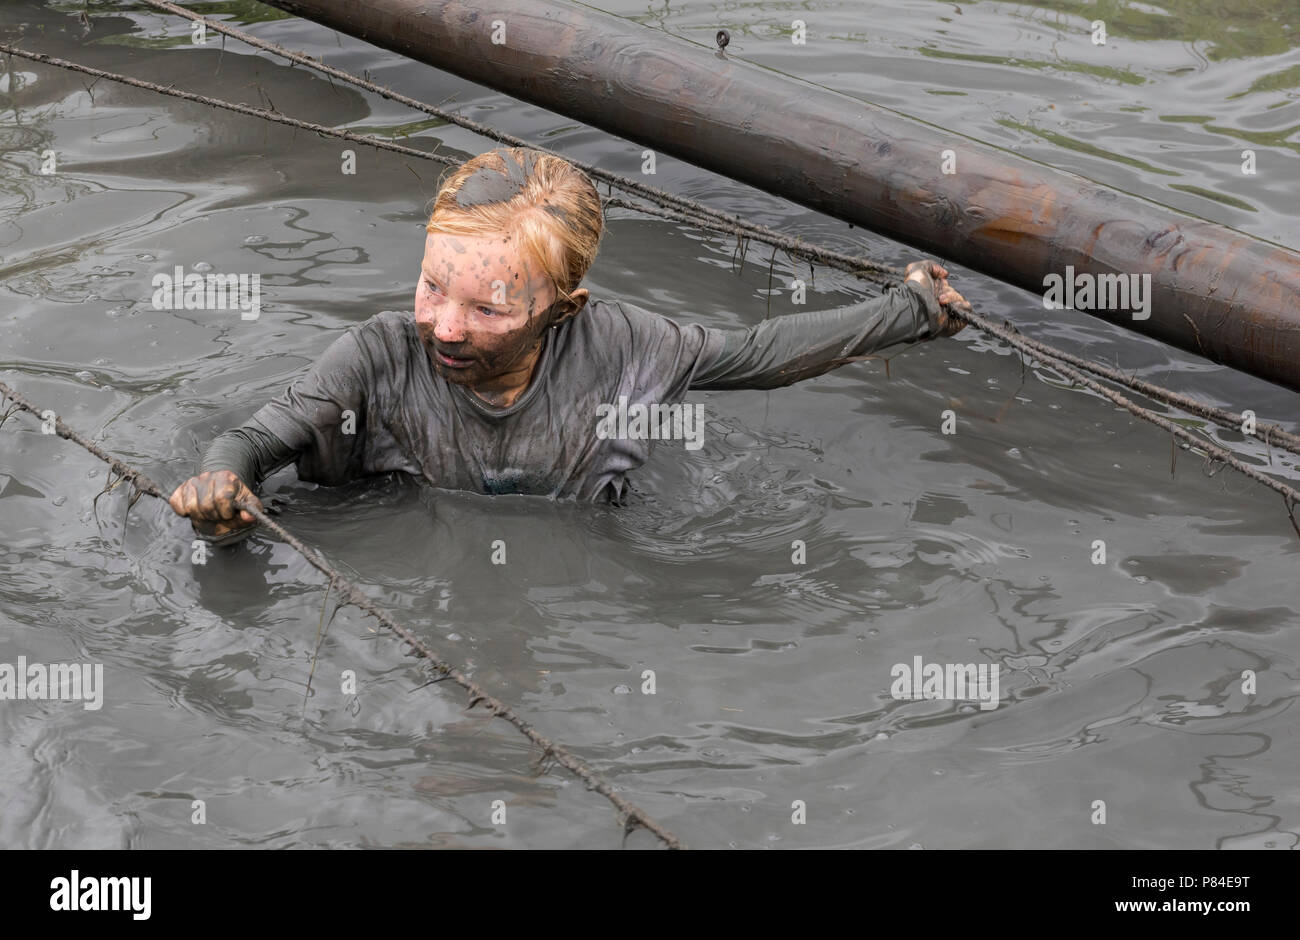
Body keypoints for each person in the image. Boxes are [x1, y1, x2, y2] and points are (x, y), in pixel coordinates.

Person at [168, 147, 971, 545]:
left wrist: (913, 310)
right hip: (400, 532)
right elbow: (249, 442)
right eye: (432, 288)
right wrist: (222, 497)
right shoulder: (378, 356)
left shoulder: (622, 349)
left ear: (562, 309)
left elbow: (759, 355)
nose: (446, 327)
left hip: (586, 550)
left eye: (488, 307)